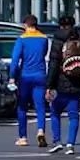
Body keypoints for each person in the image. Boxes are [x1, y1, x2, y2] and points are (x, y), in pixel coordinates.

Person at [46, 15, 80, 154]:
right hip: (78, 82)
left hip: (60, 82)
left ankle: (57, 141)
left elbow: (53, 65)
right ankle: (70, 144)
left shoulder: (57, 41)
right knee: (74, 115)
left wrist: (49, 85)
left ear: (60, 26)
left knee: (55, 112)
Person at [10, 15, 52, 148]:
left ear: (25, 25)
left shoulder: (21, 39)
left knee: (22, 107)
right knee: (40, 106)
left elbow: (15, 60)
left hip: (25, 76)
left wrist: (12, 77)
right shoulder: (44, 38)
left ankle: (23, 137)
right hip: (40, 74)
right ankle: (41, 130)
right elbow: (44, 55)